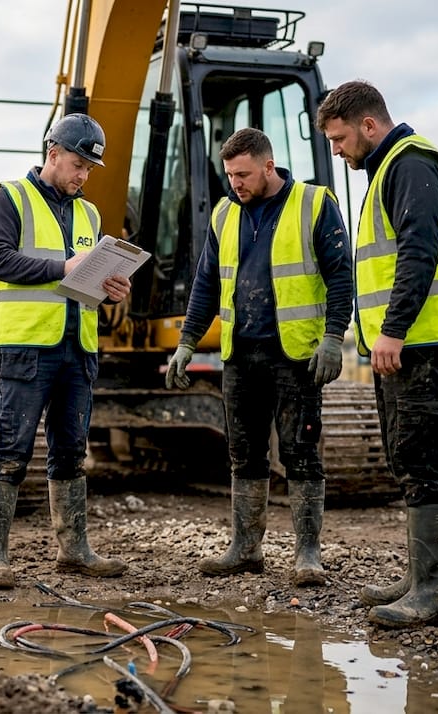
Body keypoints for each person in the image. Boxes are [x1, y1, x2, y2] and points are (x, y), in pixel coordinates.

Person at [316, 80, 438, 628]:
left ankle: (435, 591)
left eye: (341, 139)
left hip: (428, 340)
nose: (337, 151)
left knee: (420, 454)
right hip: (405, 342)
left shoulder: (411, 164)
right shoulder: (386, 171)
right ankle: (420, 577)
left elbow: (420, 252)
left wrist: (392, 330)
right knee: (403, 453)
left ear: (369, 125)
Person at [165, 127, 353, 587]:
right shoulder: (226, 214)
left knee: (300, 453)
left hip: (296, 355)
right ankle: (245, 549)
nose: (236, 184)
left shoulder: (313, 203)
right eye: (230, 175)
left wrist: (333, 336)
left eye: (244, 175)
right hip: (241, 355)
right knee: (244, 454)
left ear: (269, 166)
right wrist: (187, 341)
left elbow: (340, 275)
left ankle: (308, 554)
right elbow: (206, 283)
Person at [0, 113, 131, 589]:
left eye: (89, 168)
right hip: (26, 345)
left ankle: (74, 550)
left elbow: (84, 279)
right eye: (78, 164)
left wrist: (111, 287)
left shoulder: (89, 213)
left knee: (71, 450)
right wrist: (64, 264)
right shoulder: (9, 198)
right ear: (53, 154)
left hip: (77, 346)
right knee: (12, 448)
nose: (83, 175)